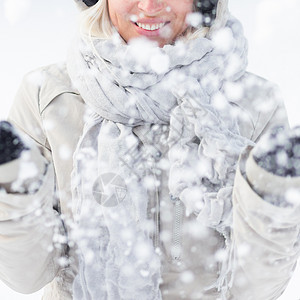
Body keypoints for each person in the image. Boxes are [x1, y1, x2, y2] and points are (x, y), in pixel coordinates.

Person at [0, 0, 299, 299]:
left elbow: (257, 289)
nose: (150, 6)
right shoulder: (49, 97)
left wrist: (270, 190)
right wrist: (13, 182)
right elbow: (26, 276)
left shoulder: (253, 105)